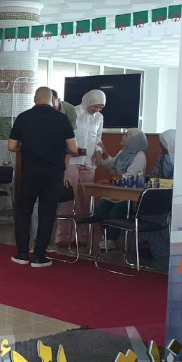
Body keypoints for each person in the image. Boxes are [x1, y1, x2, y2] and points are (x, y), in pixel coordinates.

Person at [8, 87, 78, 267]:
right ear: (52, 101)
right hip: (53, 174)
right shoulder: (62, 119)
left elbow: (12, 146)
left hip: (29, 173)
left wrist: (27, 148)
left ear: (34, 99)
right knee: (47, 213)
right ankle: (40, 257)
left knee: (23, 211)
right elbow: (73, 148)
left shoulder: (23, 117)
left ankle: (22, 254)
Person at [54, 89, 105, 245]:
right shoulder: (73, 112)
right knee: (68, 200)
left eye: (100, 107)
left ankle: (83, 238)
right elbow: (63, 136)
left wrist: (99, 151)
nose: (97, 110)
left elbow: (98, 138)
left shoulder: (99, 117)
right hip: (71, 161)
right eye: (95, 106)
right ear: (88, 101)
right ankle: (63, 237)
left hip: (89, 163)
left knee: (85, 202)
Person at [96, 128, 149, 251]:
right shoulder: (122, 152)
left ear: (134, 140)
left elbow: (130, 177)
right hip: (116, 194)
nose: (123, 136)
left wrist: (112, 179)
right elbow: (111, 165)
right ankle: (106, 236)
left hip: (130, 198)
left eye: (126, 135)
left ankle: (111, 239)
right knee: (101, 207)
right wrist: (104, 151)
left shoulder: (139, 156)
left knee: (115, 213)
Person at [144, 128, 175, 260]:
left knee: (156, 215)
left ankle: (164, 250)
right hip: (159, 195)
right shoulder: (162, 156)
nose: (160, 146)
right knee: (143, 210)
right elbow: (154, 174)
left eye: (163, 143)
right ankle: (151, 246)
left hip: (173, 199)